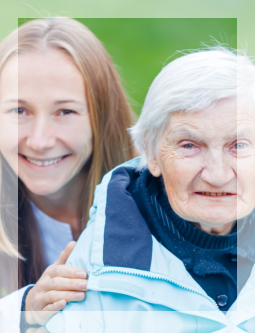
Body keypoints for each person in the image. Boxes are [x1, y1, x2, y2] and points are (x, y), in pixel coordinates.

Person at [46, 47, 255, 332]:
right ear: (151, 153)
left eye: (239, 145)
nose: (217, 175)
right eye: (189, 145)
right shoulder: (94, 275)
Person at [0, 17, 136, 327]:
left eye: (65, 111)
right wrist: (25, 310)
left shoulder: (169, 204)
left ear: (101, 116)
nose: (40, 141)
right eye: (19, 110)